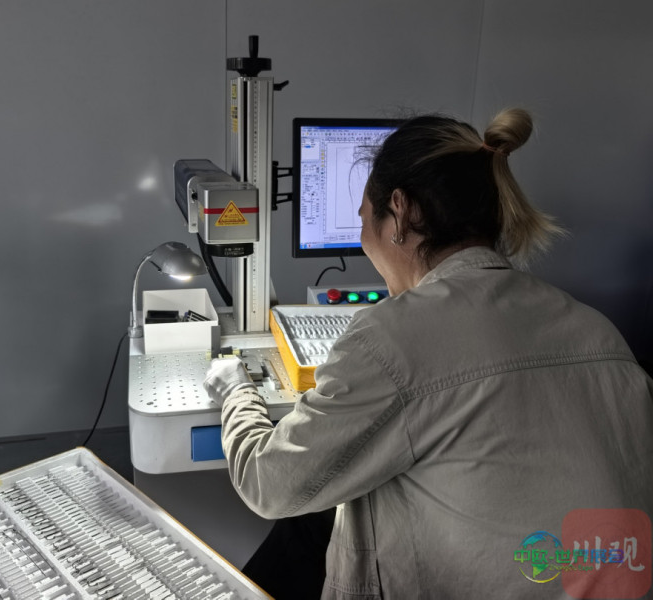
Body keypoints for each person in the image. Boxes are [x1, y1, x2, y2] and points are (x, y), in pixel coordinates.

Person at [204, 109, 653, 599]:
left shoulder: (394, 337)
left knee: (313, 511)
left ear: (399, 211)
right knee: (319, 518)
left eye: (363, 219)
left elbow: (269, 483)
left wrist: (236, 390)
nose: (363, 237)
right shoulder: (597, 331)